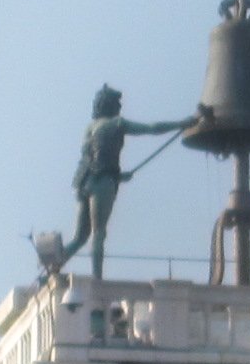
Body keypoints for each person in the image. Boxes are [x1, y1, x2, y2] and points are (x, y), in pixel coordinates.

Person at [63, 85, 187, 278]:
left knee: (79, 237)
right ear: (112, 105)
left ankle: (52, 267)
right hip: (103, 180)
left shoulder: (90, 128)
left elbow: (93, 157)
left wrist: (118, 176)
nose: (120, 107)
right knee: (99, 232)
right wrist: (181, 124)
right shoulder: (117, 123)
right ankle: (97, 280)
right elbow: (151, 129)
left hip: (82, 182)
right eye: (118, 104)